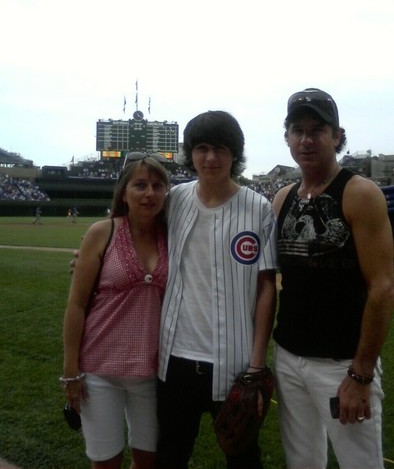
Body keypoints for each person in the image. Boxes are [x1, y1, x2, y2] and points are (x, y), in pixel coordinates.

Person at [272, 88, 394, 469]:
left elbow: (382, 286)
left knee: (360, 463)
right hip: (290, 356)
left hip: (342, 362)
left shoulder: (360, 193)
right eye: (297, 130)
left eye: (317, 130)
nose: (306, 139)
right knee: (302, 462)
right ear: (287, 137)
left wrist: (360, 374)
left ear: (337, 136)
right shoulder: (283, 198)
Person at [156, 110, 278, 469]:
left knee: (243, 459)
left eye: (221, 148)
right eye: (202, 148)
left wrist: (257, 365)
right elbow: (134, 235)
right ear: (190, 153)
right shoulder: (174, 200)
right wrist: (94, 252)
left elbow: (267, 287)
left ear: (235, 154)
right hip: (175, 359)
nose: (211, 158)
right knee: (170, 455)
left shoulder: (258, 209)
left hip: (236, 362)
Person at [61, 154, 170, 469]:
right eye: (140, 185)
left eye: (157, 185)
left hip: (151, 371)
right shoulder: (102, 231)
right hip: (100, 369)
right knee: (106, 462)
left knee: (148, 460)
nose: (149, 193)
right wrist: (70, 370)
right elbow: (77, 304)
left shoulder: (172, 236)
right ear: (124, 192)